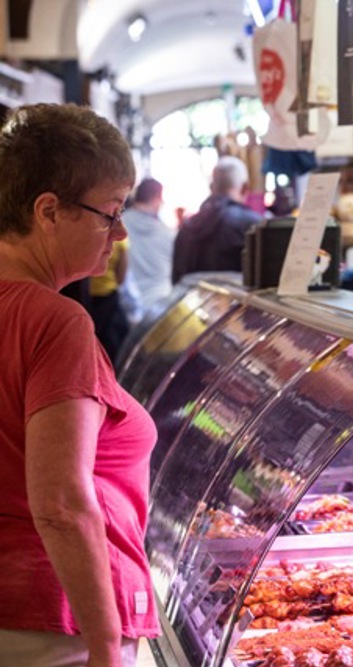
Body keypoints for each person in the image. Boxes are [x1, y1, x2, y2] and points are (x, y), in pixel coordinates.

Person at [0, 104, 159, 664]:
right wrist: (108, 646)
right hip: (51, 625)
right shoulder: (55, 320)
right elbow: (62, 504)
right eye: (108, 213)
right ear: (48, 211)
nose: (118, 234)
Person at [172, 155, 262, 283]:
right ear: (245, 187)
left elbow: (176, 279)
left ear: (211, 187)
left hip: (188, 302)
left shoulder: (187, 227)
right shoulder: (252, 226)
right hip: (237, 302)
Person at [122, 177, 175, 318]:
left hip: (127, 309)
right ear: (157, 197)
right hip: (160, 308)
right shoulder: (166, 233)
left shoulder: (120, 226)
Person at [88, 238, 131, 363]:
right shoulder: (120, 241)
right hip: (108, 299)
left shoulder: (84, 238)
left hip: (84, 299)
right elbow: (121, 277)